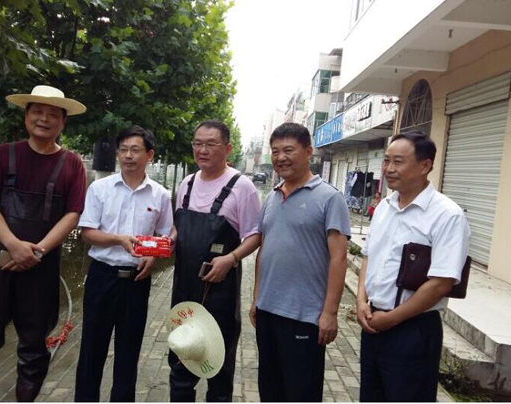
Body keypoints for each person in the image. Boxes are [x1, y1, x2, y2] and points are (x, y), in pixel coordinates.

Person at [0, 85, 88, 402]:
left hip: (41, 269)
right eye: (37, 111)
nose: (44, 118)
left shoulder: (72, 164)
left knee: (33, 352)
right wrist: (13, 244)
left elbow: (73, 214)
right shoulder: (3, 154)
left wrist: (39, 250)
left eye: (53, 114)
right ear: (26, 116)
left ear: (63, 121)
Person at [356, 131, 471, 402]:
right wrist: (361, 301)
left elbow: (441, 283)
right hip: (373, 323)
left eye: (398, 161)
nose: (388, 168)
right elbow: (369, 257)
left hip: (413, 331)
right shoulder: (383, 207)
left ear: (424, 166)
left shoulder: (447, 215)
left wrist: (392, 319)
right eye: (386, 161)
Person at [251, 122, 350, 402]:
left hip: (304, 317)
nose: (280, 157)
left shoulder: (329, 198)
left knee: (301, 393)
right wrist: (257, 298)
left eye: (288, 150)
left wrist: (330, 313)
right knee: (270, 390)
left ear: (308, 152)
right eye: (275, 151)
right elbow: (264, 249)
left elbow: (339, 258)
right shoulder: (272, 196)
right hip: (268, 312)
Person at [75, 125, 173, 402]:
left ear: (149, 155)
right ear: (117, 153)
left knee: (129, 353)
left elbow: (167, 234)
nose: (128, 156)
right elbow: (87, 233)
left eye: (135, 150)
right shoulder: (100, 188)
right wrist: (118, 239)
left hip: (136, 281)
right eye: (123, 150)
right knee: (91, 349)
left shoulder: (160, 195)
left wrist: (154, 254)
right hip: (101, 277)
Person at [167, 120, 262, 402]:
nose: (203, 150)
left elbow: (255, 235)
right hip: (183, 290)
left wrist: (231, 258)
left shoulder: (242, 187)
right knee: (181, 363)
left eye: (211, 144)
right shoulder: (187, 183)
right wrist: (169, 240)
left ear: (228, 149)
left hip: (220, 293)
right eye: (198, 144)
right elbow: (178, 228)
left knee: (218, 368)